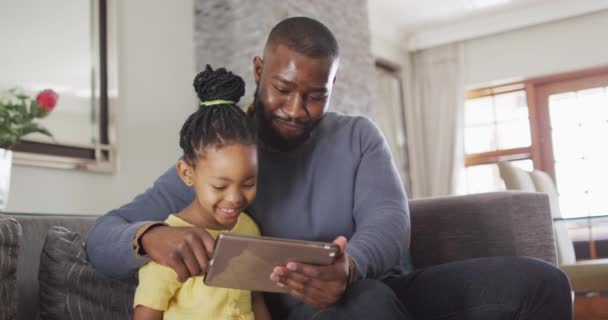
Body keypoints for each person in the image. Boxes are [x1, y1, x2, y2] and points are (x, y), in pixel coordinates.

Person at [86, 17, 572, 320]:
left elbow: (390, 222)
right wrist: (151, 237)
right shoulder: (220, 156)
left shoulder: (357, 137)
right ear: (259, 70)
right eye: (283, 89)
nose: (297, 109)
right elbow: (102, 236)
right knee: (366, 305)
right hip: (289, 310)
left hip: (375, 287)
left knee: (541, 283)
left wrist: (350, 266)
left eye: (316, 95)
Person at [133, 66, 271, 320]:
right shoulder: (171, 244)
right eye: (220, 186)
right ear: (187, 174)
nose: (235, 197)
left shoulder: (250, 229)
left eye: (248, 183)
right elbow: (147, 314)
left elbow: (256, 299)